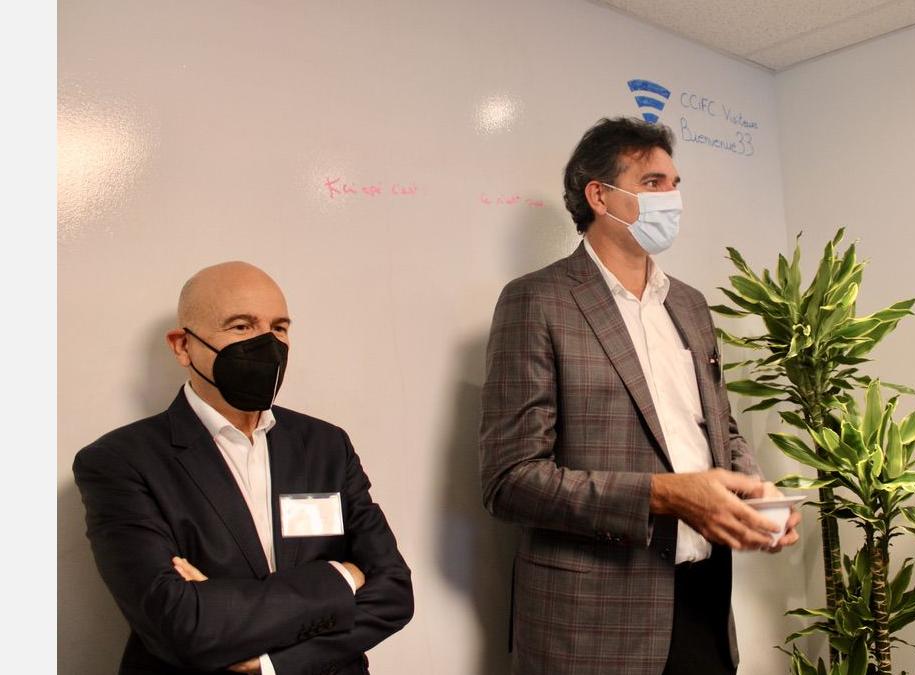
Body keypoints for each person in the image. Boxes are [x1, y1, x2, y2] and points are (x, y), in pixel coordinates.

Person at [479, 117, 801, 675]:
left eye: (675, 184)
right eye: (652, 183)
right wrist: (663, 495)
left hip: (703, 603)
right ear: (599, 196)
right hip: (593, 622)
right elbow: (510, 481)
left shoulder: (691, 305)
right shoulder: (537, 301)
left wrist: (756, 496)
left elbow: (719, 431)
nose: (671, 198)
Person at [73, 262, 415, 675]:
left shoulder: (326, 445)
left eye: (279, 328)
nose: (267, 344)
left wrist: (273, 661)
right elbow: (181, 625)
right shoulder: (120, 461)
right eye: (241, 326)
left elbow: (394, 591)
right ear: (182, 346)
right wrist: (341, 578)